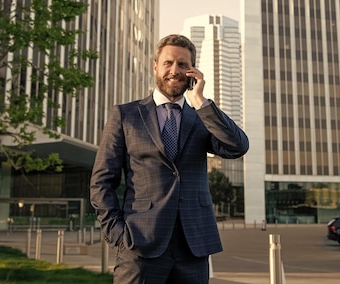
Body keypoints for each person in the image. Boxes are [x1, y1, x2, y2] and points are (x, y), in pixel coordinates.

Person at [90, 34, 249, 283]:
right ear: (155, 65)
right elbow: (101, 181)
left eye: (183, 65)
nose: (175, 70)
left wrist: (200, 101)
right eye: (168, 63)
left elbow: (237, 146)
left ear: (192, 71)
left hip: (193, 246)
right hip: (139, 245)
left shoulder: (202, 116)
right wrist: (118, 234)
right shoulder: (125, 115)